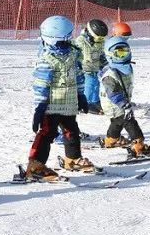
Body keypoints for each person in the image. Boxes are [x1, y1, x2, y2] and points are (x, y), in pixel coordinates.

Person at [26, 15, 97, 180]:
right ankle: (35, 165)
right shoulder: (46, 59)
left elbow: (78, 76)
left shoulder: (73, 54)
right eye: (63, 40)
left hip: (69, 103)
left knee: (72, 131)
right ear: (52, 39)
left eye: (68, 38)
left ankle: (72, 159)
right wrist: (39, 107)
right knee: (47, 134)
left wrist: (81, 95)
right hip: (50, 106)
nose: (67, 42)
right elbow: (40, 84)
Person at [97, 35, 150, 158]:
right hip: (115, 104)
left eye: (125, 52)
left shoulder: (124, 67)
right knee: (130, 123)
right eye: (119, 53)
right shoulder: (110, 74)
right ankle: (138, 144)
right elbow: (113, 92)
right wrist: (124, 104)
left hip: (118, 104)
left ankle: (110, 139)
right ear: (110, 55)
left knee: (117, 122)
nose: (123, 56)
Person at [73, 19, 108, 114]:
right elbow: (75, 54)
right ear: (90, 33)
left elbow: (101, 54)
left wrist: (105, 64)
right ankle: (86, 103)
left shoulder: (99, 42)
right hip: (84, 69)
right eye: (98, 38)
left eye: (102, 38)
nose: (100, 40)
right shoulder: (81, 41)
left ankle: (95, 101)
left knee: (96, 84)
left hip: (95, 68)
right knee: (89, 84)